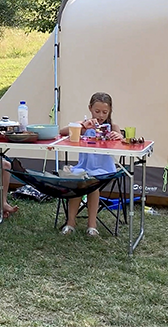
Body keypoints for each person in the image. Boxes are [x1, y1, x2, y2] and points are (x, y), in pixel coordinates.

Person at [58, 92, 123, 237]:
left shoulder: (112, 126)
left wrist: (119, 137)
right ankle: (71, 222)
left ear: (110, 111)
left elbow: (122, 143)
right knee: (78, 180)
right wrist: (82, 126)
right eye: (97, 111)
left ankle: (92, 225)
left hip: (104, 169)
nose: (100, 115)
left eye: (104, 112)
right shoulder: (84, 126)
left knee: (91, 182)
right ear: (90, 109)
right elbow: (61, 132)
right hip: (84, 166)